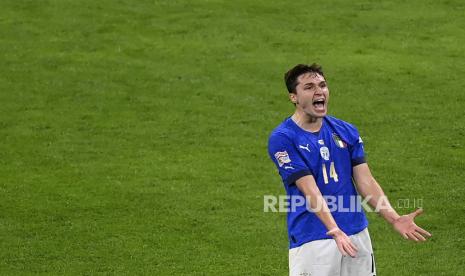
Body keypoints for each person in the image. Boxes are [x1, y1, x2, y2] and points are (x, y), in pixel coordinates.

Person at [267, 63, 431, 276]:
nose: (319, 91)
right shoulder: (283, 138)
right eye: (308, 87)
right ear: (293, 97)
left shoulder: (345, 130)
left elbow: (365, 180)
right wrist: (334, 230)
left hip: (355, 233)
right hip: (314, 238)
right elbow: (309, 189)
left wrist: (394, 218)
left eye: (322, 85)